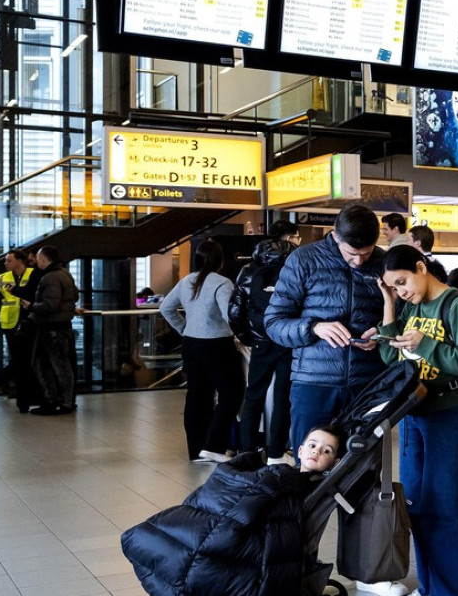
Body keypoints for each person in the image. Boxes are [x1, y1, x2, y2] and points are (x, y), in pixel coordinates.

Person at [377, 244, 458, 596]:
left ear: (421, 268)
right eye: (393, 287)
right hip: (413, 413)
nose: (401, 291)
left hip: (447, 411)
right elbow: (389, 356)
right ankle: (429, 587)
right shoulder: (412, 306)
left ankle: (446, 591)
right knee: (416, 504)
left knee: (442, 503)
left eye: (402, 282)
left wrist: (425, 344)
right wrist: (389, 306)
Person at [122, 425, 345, 596]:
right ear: (300, 450)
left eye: (326, 450)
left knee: (201, 551)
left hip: (243, 528)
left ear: (335, 462)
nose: (316, 451)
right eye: (312, 445)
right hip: (235, 506)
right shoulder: (284, 474)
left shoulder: (303, 487)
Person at [265, 204, 387, 466]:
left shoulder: (383, 262)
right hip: (313, 381)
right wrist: (313, 328)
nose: (359, 261)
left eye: (366, 253)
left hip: (367, 383)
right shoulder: (304, 260)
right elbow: (274, 322)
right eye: (352, 254)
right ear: (335, 236)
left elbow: (401, 316)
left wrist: (382, 332)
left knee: (363, 470)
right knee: (308, 470)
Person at [162, 240, 244, 463]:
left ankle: (197, 450)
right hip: (218, 345)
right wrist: (242, 334)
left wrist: (184, 328)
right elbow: (230, 315)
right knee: (232, 393)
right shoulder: (222, 283)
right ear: (220, 261)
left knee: (198, 396)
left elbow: (166, 307)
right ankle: (214, 446)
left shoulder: (186, 281)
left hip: (191, 345)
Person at [230, 231, 299, 461]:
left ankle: (246, 451)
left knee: (254, 396)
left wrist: (247, 337)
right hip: (288, 342)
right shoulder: (294, 270)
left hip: (261, 342)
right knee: (283, 398)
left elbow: (235, 309)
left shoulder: (249, 271)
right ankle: (276, 453)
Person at [25, 245, 79, 415]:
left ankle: (55, 402)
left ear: (43, 259)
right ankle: (66, 401)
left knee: (46, 365)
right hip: (62, 326)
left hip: (51, 328)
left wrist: (31, 306)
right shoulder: (65, 274)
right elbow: (74, 296)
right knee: (61, 365)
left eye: (38, 258)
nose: (36, 261)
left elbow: (50, 304)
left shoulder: (50, 277)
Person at [0, 250, 38, 412]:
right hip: (10, 324)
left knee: (26, 359)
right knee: (18, 359)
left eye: (9, 260)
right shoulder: (1, 278)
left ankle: (9, 384)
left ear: (20, 261)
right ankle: (21, 397)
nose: (6, 263)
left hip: (30, 322)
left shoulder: (33, 274)